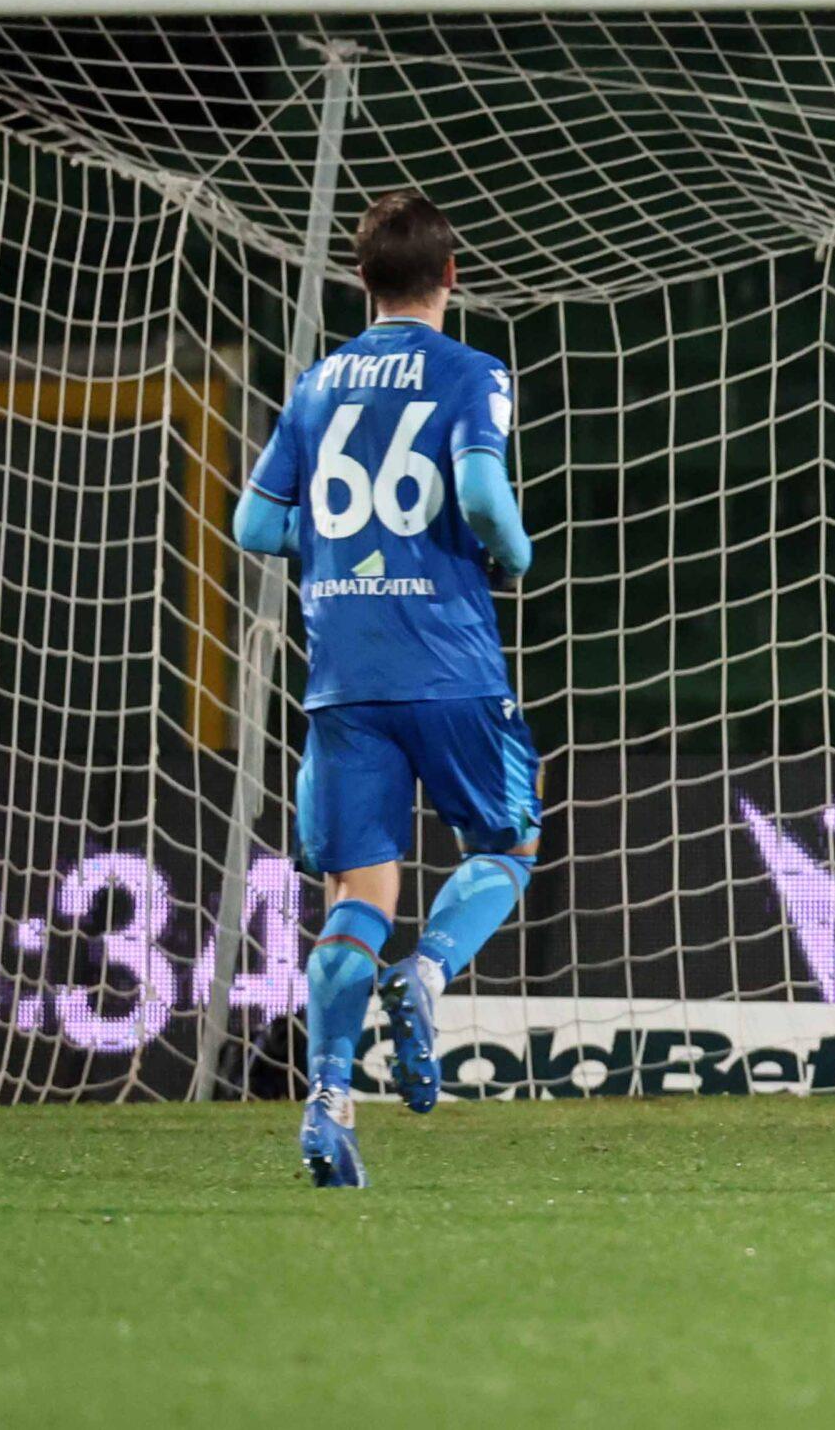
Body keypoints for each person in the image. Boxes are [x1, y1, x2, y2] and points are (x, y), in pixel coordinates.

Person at [234, 190, 539, 1188]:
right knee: (507, 842)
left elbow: (253, 525)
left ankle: (327, 1101)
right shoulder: (471, 372)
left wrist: (332, 545)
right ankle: (430, 971)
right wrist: (512, 551)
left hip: (343, 675)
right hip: (449, 662)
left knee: (354, 895)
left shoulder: (318, 384)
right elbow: (487, 497)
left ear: (360, 280)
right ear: (451, 277)